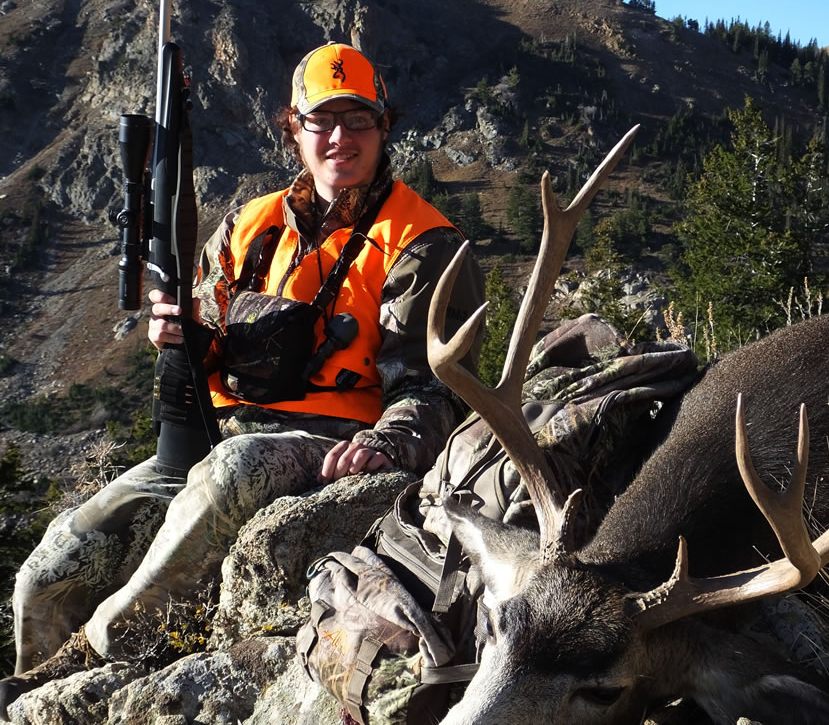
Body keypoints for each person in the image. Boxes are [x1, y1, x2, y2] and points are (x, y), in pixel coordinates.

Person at [0, 41, 484, 717]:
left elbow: (435, 389)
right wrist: (173, 340)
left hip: (330, 443)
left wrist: (388, 444)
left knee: (233, 467)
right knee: (47, 571)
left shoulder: (426, 243)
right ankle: (30, 676)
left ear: (384, 127)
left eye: (359, 120)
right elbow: (200, 340)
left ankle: (93, 659)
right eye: (322, 121)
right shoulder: (245, 228)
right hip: (212, 438)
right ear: (295, 129)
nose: (340, 138)